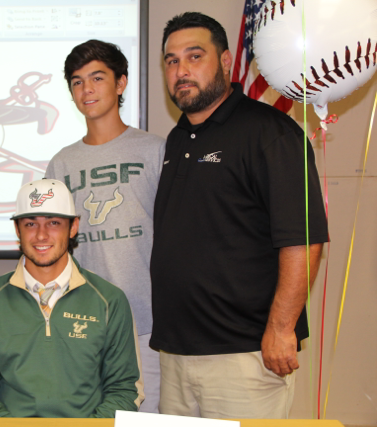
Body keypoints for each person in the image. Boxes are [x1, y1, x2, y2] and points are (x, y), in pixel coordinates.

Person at [150, 12, 329, 419]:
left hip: (246, 355)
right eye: (172, 60)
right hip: (176, 354)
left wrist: (282, 329)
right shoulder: (178, 139)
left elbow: (304, 238)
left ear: (227, 61)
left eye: (195, 57)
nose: (181, 70)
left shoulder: (271, 133)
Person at [44, 39, 165, 413]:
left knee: (147, 420)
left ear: (121, 83)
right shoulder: (62, 163)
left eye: (97, 78)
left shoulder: (154, 150)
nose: (87, 89)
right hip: (84, 324)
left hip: (148, 323)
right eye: (78, 82)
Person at [0, 178, 144, 418]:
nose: (41, 235)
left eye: (54, 223)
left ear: (73, 227)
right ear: (17, 229)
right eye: (30, 224)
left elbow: (125, 389)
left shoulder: (110, 300)